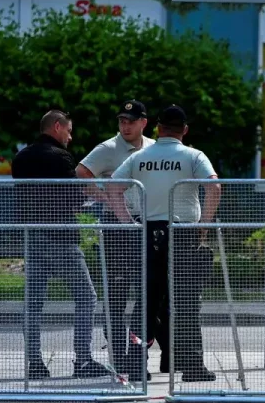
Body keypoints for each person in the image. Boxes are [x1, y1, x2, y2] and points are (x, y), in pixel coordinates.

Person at [108, 104, 220, 382]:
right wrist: (203, 226)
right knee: (186, 300)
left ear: (157, 128)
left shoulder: (141, 156)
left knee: (147, 300)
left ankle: (135, 364)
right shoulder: (194, 155)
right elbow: (214, 187)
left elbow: (112, 186)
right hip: (183, 233)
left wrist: (127, 223)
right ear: (184, 130)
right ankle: (192, 366)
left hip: (149, 232)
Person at [11, 110, 111, 380]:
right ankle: (83, 361)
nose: (70, 136)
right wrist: (90, 201)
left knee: (33, 303)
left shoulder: (20, 158)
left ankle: (35, 363)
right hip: (60, 237)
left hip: (32, 237)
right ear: (56, 127)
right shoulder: (61, 157)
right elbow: (71, 197)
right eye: (68, 130)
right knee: (87, 297)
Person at [76, 100, 155, 379]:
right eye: (122, 120)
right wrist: (103, 195)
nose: (125, 125)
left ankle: (137, 357)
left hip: (146, 224)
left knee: (147, 295)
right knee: (116, 296)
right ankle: (119, 356)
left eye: (131, 121)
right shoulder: (109, 148)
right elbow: (82, 172)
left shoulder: (153, 147)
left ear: (143, 122)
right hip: (117, 227)